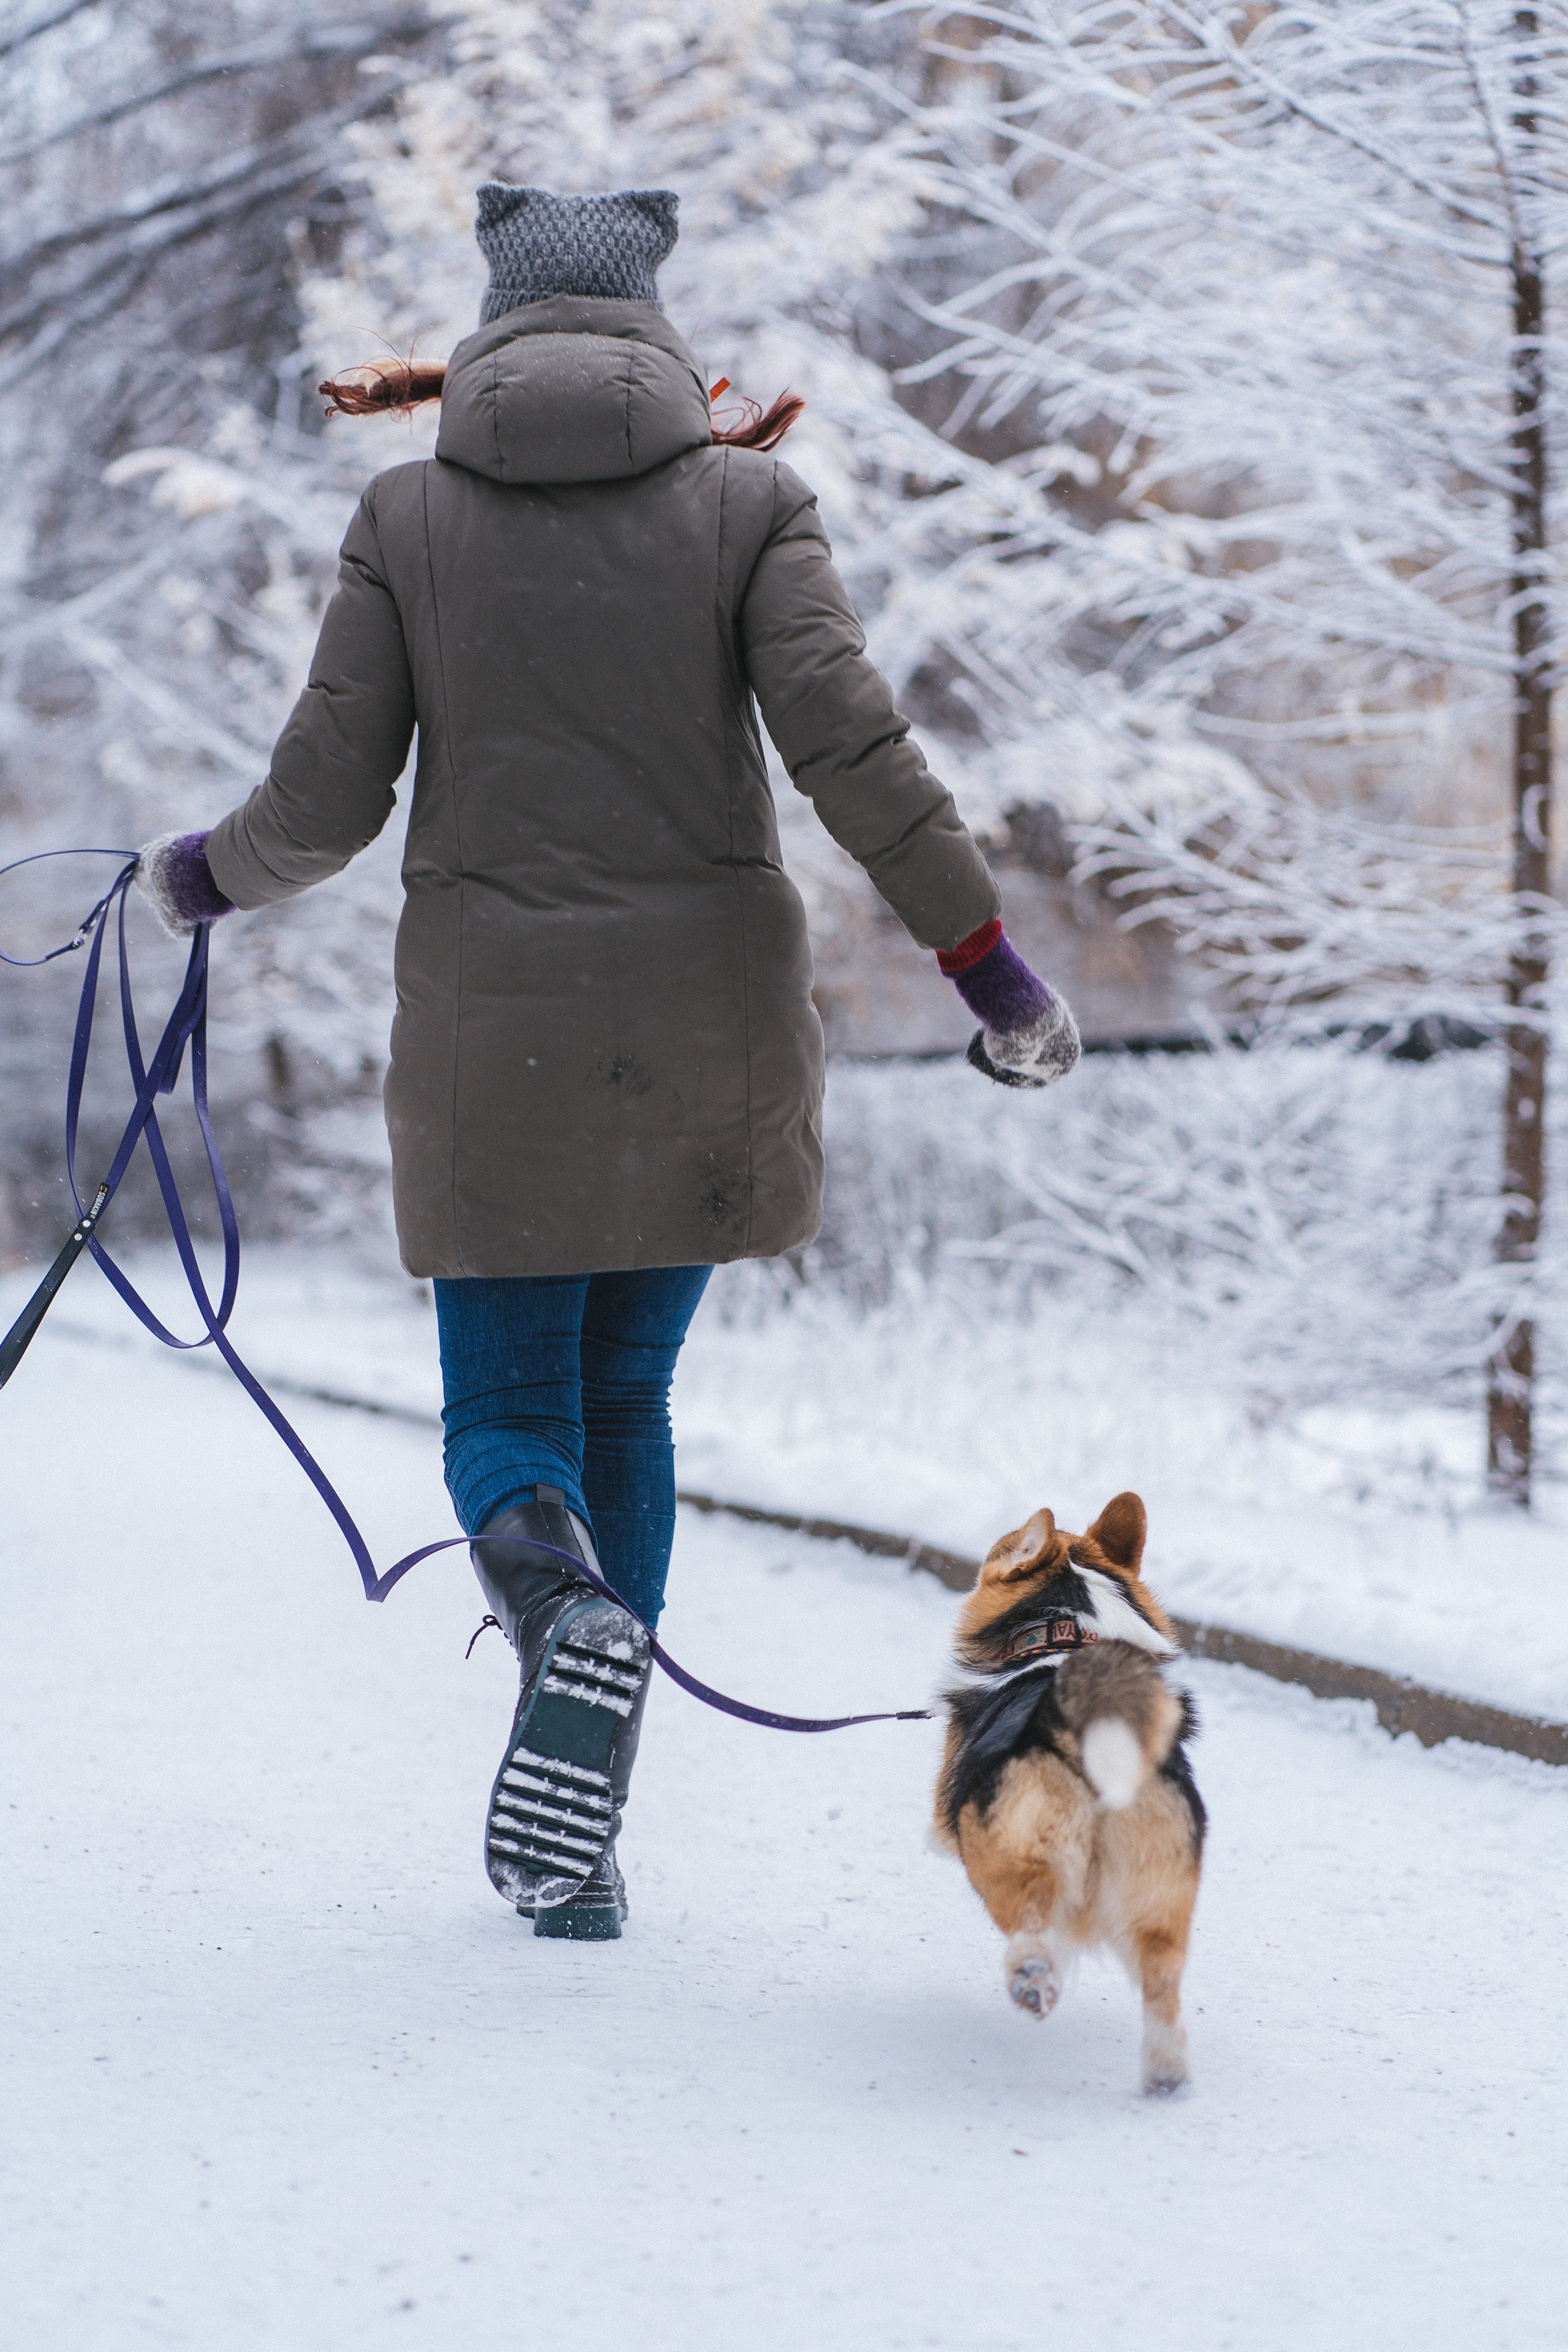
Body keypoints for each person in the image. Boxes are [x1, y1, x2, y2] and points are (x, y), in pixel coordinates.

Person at [133, 185, 1081, 1942]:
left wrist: (198, 878)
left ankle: (563, 1659)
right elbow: (857, 756)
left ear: (492, 319)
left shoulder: (409, 515)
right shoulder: (748, 505)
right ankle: (581, 1828)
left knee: (510, 1418)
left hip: (495, 1038)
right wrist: (989, 968)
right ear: (654, 318)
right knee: (626, 1403)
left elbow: (323, 804)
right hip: (710, 1033)